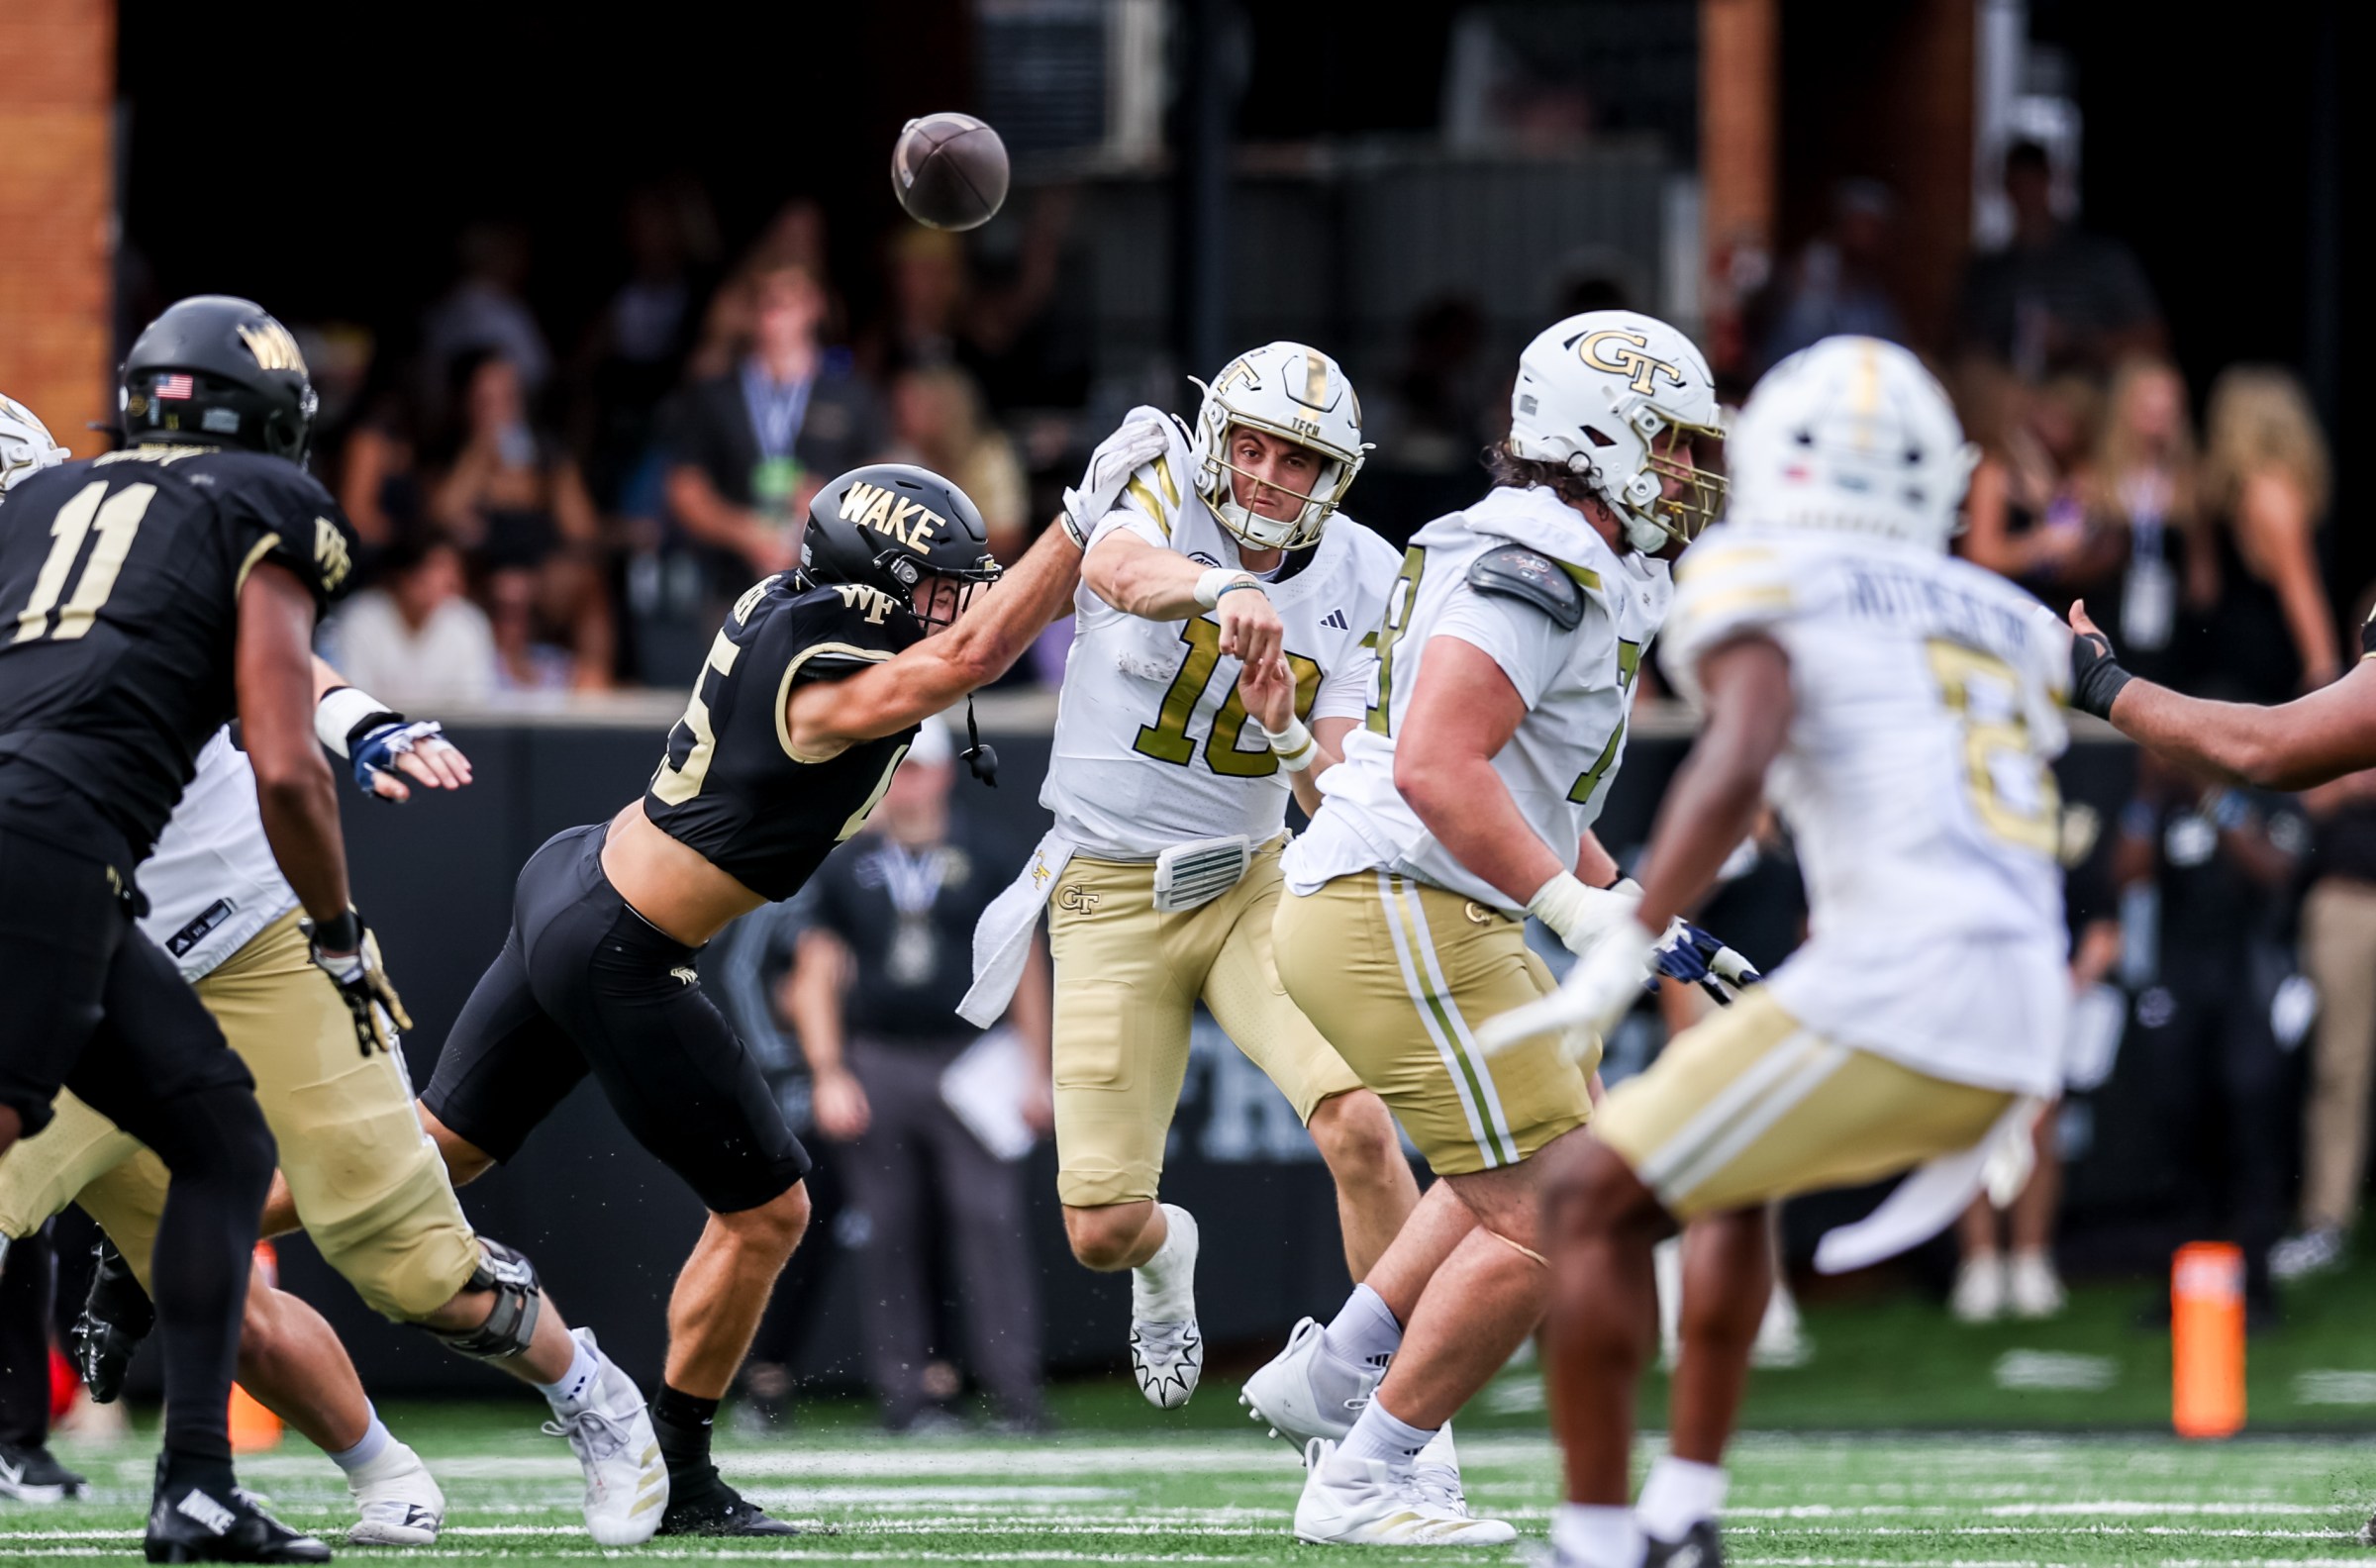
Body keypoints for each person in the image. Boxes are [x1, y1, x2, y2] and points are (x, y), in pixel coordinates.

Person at [1482, 337, 2072, 1568]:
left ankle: (1594, 1544)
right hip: (2016, 990)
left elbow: (1738, 755)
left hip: (1913, 982)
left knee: (1590, 1199)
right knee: (1725, 1169)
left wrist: (1615, 951)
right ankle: (1685, 1511)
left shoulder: (1768, 570)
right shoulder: (2005, 612)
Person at [413, 462, 1084, 1535]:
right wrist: (1083, 521)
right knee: (772, 1213)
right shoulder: (826, 674)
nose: (951, 604)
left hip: (580, 879)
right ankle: (679, 1472)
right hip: (623, 942)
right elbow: (972, 655)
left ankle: (167, 1244)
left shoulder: (795, 604)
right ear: (875, 584)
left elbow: (956, 642)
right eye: (935, 583)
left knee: (427, 1157)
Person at [0, 643, 673, 1547]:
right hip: (81, 971)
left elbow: (257, 635)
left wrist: (359, 721)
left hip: (253, 939)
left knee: (416, 1267)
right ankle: (387, 1474)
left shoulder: (100, 535)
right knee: (213, 1301)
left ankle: (594, 1394)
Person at [1241, 311, 1732, 1545]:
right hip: (1396, 899)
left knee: (1537, 1156)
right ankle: (1363, 1475)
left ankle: (1339, 1370)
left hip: (1420, 900)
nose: (1686, 472)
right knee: (1575, 1209)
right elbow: (1442, 769)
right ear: (1599, 436)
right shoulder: (1543, 553)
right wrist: (1572, 909)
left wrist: (1626, 898)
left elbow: (1527, 786)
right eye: (1667, 445)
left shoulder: (1575, 550)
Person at [961, 343, 1420, 1431]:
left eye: (1295, 460)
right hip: (1107, 896)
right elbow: (1114, 567)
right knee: (1102, 1227)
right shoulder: (1159, 467)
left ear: (1336, 476)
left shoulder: (1368, 577)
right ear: (1216, 437)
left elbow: (1334, 790)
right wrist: (1223, 585)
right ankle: (1170, 1262)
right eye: (1249, 446)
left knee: (1360, 1124)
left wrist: (1290, 729)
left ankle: (1394, 1419)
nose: (1264, 476)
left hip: (1253, 885)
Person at [0, 298, 376, 1562]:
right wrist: (333, 932)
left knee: (218, 1134)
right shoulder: (255, 506)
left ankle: (198, 1487)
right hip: (48, 848)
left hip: (62, 862)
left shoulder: (48, 504)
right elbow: (284, 765)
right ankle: (196, 1488)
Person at [785, 718, 1051, 1434]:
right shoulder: (847, 865)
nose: (905, 782)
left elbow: (1025, 965)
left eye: (916, 767)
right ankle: (907, 1396)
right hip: (881, 1056)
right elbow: (814, 972)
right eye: (894, 768)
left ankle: (1013, 1393)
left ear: (942, 773)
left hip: (971, 1059)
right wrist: (830, 1070)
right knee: (890, 1227)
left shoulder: (988, 854)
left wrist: (1038, 1068)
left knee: (989, 1220)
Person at [663, 262, 886, 591]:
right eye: (764, 300)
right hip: (731, 582)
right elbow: (684, 489)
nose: (774, 312)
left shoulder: (852, 394)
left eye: (787, 299)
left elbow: (885, 485)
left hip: (833, 582)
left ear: (815, 305)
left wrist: (834, 504)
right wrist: (744, 531)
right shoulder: (714, 394)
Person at [427, 349, 614, 689]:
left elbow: (583, 531)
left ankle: (593, 685)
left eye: (508, 399)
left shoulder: (548, 455)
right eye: (487, 401)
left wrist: (549, 484)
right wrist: (480, 457)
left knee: (589, 584)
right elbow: (440, 517)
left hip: (540, 575)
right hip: (477, 575)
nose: (500, 410)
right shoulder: (453, 451)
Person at [1956, 139, 2164, 379]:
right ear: (2006, 188)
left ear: (2049, 182)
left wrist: (2076, 342)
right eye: (2018, 183)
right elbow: (1962, 350)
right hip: (2007, 398)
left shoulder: (2100, 260)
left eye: (2033, 181)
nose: (2026, 193)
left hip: (2087, 397)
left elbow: (2152, 338)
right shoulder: (1987, 273)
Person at [2193, 365, 2337, 700]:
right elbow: (2298, 587)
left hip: (2241, 662)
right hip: (2256, 660)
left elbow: (2300, 588)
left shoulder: (2248, 493)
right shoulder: (2259, 493)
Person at [324, 534, 498, 707]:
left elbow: (476, 705)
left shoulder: (468, 623)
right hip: (377, 732)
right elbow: (353, 701)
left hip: (448, 734)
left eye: (454, 570)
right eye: (437, 567)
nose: (450, 580)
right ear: (404, 575)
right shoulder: (361, 619)